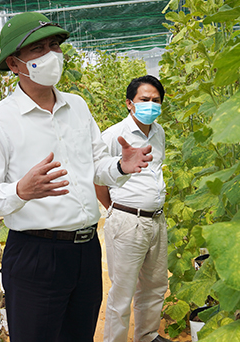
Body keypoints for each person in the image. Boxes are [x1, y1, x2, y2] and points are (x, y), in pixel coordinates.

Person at [0, 12, 152, 342]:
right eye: (38, 49)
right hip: (36, 254)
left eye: (54, 45)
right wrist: (20, 191)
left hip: (84, 251)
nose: (52, 55)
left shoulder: (78, 107)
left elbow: (96, 167)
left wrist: (121, 167)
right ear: (14, 65)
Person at [95, 75, 170, 342]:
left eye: (156, 100)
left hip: (156, 221)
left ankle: (147, 336)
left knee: (155, 286)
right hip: (128, 222)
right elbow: (98, 178)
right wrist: (116, 210)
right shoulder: (115, 135)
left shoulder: (158, 132)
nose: (151, 104)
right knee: (123, 292)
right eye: (144, 100)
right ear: (129, 103)